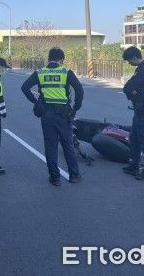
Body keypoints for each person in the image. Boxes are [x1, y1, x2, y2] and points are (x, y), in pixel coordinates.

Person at [21, 47, 84, 186]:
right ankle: (74, 175)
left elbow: (24, 87)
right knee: (67, 144)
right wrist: (76, 107)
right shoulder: (66, 72)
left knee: (50, 146)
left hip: (46, 114)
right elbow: (79, 90)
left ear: (49, 58)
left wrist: (35, 101)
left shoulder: (40, 72)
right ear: (61, 59)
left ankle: (54, 178)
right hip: (63, 114)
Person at [122, 46, 144, 180]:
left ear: (135, 58)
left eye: (129, 60)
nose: (129, 63)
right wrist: (134, 93)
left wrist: (133, 93)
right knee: (134, 138)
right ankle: (134, 165)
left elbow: (127, 87)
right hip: (141, 108)